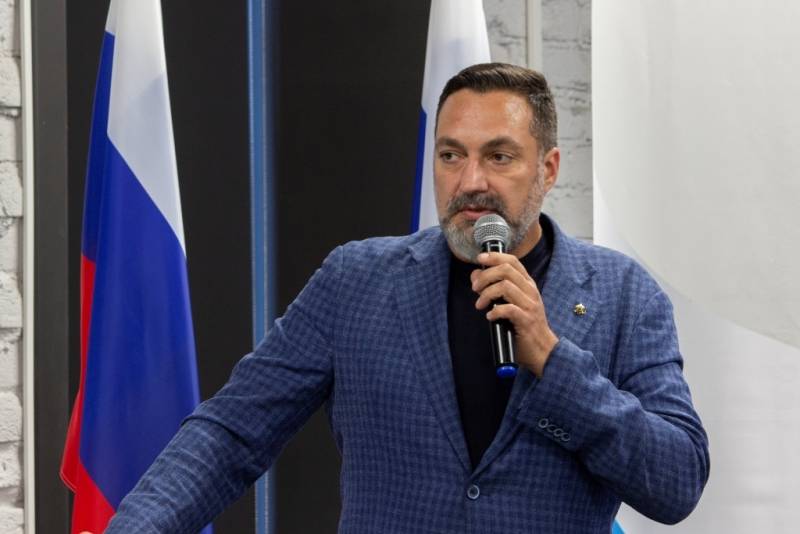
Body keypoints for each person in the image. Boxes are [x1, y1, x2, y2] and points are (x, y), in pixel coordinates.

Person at [107, 63, 709, 533]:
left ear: (548, 169)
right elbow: (231, 433)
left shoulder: (624, 295)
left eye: (499, 156)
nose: (471, 181)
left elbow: (677, 481)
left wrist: (552, 361)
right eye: (451, 155)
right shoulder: (355, 280)